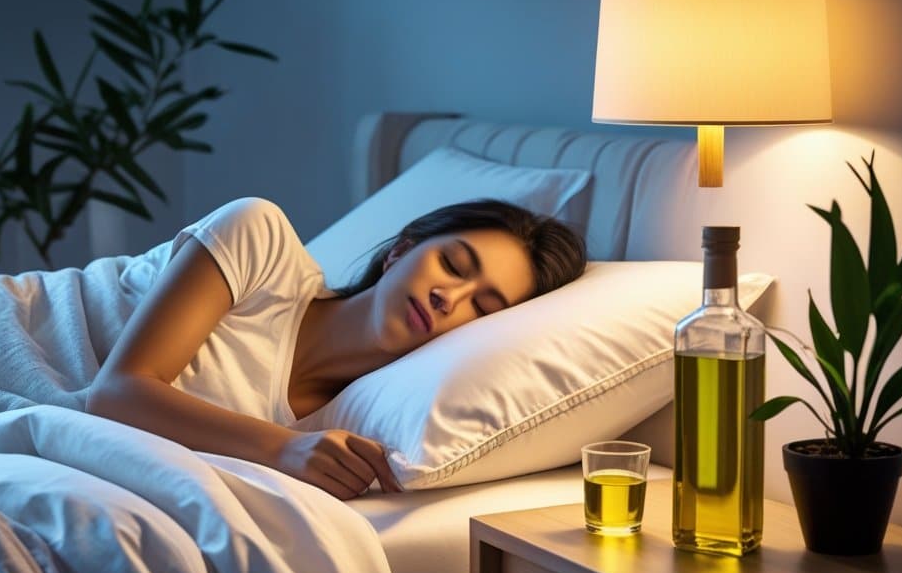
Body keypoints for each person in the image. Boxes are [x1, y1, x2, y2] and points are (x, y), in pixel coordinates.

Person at [87, 196, 586, 500]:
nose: (448, 297)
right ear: (401, 250)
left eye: (481, 306)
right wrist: (283, 448)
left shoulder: (360, 427)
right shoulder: (258, 240)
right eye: (453, 265)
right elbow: (115, 394)